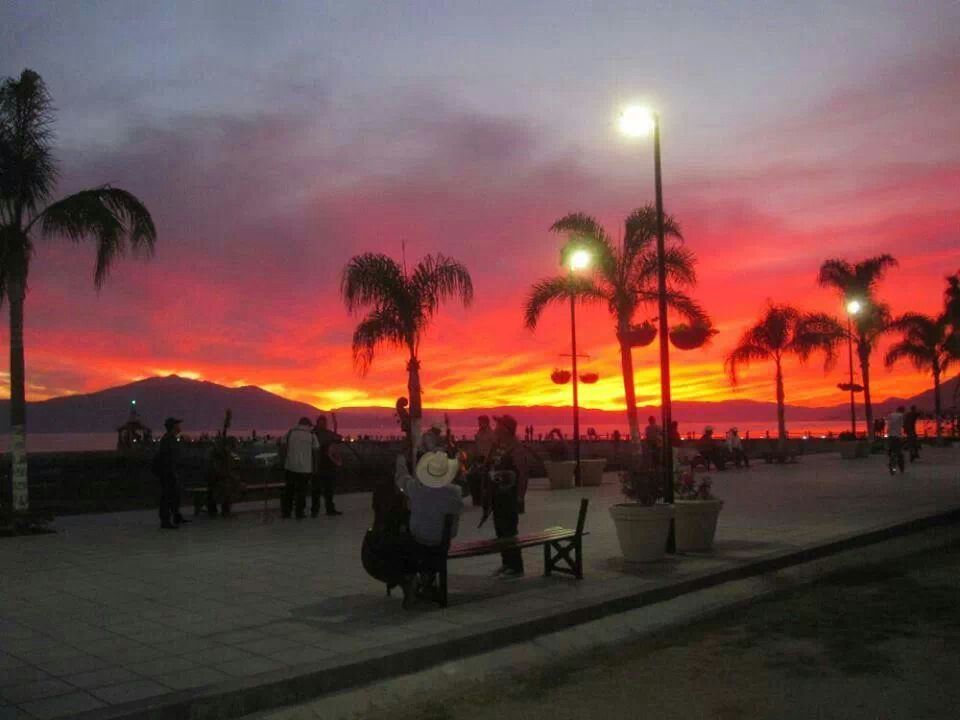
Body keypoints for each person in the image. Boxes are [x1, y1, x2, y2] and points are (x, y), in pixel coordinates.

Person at [395, 451, 464, 607]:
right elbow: (453, 530)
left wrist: (401, 460)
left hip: (416, 543)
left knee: (399, 540)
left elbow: (401, 479)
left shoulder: (415, 487)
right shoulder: (455, 492)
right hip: (441, 544)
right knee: (427, 543)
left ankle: (413, 580)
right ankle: (427, 581)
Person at [481, 415, 528, 577]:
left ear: (506, 428)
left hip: (509, 497)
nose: (495, 427)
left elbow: (522, 474)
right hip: (497, 496)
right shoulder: (498, 445)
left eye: (498, 424)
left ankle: (516, 567)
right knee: (500, 531)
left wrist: (520, 497)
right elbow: (490, 465)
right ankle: (506, 563)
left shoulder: (516, 448)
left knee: (509, 531)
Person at [152, 417, 186, 529]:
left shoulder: (170, 439)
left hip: (170, 471)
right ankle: (165, 520)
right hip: (168, 472)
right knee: (167, 496)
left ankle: (176, 516)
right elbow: (168, 458)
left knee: (174, 495)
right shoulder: (168, 440)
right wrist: (172, 471)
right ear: (173, 427)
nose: (179, 427)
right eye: (177, 424)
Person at [282, 417, 319, 519]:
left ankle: (287, 512)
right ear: (308, 424)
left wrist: (284, 460)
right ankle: (299, 512)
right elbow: (316, 452)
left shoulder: (290, 433)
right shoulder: (311, 435)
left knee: (289, 490)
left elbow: (283, 445)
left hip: (290, 466)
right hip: (305, 468)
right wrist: (315, 468)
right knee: (302, 491)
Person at [313, 414, 344, 516]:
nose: (323, 425)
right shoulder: (314, 434)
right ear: (317, 423)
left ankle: (330, 509)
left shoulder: (327, 433)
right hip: (317, 464)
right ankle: (315, 510)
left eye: (324, 423)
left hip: (328, 464)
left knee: (328, 488)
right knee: (317, 488)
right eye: (321, 423)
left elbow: (338, 438)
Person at [206, 436, 242, 517]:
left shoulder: (225, 454)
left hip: (218, 479)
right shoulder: (219, 455)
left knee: (230, 486)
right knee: (228, 488)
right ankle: (225, 510)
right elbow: (220, 470)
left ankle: (224, 509)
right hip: (217, 480)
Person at [469, 415, 496, 506]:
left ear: (486, 422)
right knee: (475, 478)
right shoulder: (479, 432)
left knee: (486, 481)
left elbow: (494, 447)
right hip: (479, 459)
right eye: (479, 422)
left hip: (488, 459)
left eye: (481, 421)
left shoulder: (491, 433)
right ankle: (477, 499)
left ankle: (486, 500)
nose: (479, 423)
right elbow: (476, 446)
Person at [886, 406, 906, 475]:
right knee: (899, 453)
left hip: (890, 436)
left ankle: (891, 465)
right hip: (897, 437)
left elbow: (888, 425)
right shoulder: (901, 416)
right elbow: (903, 425)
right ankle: (900, 468)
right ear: (902, 410)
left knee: (891, 451)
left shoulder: (890, 415)